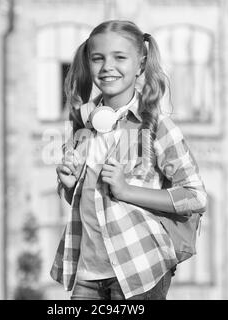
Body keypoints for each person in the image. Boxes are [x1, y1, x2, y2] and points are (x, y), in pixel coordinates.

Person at [51, 20, 207, 300]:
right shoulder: (82, 125)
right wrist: (70, 186)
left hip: (138, 269)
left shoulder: (156, 126)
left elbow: (195, 197)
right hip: (87, 272)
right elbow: (91, 203)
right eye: (97, 58)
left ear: (141, 63)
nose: (107, 66)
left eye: (119, 57)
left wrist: (126, 190)